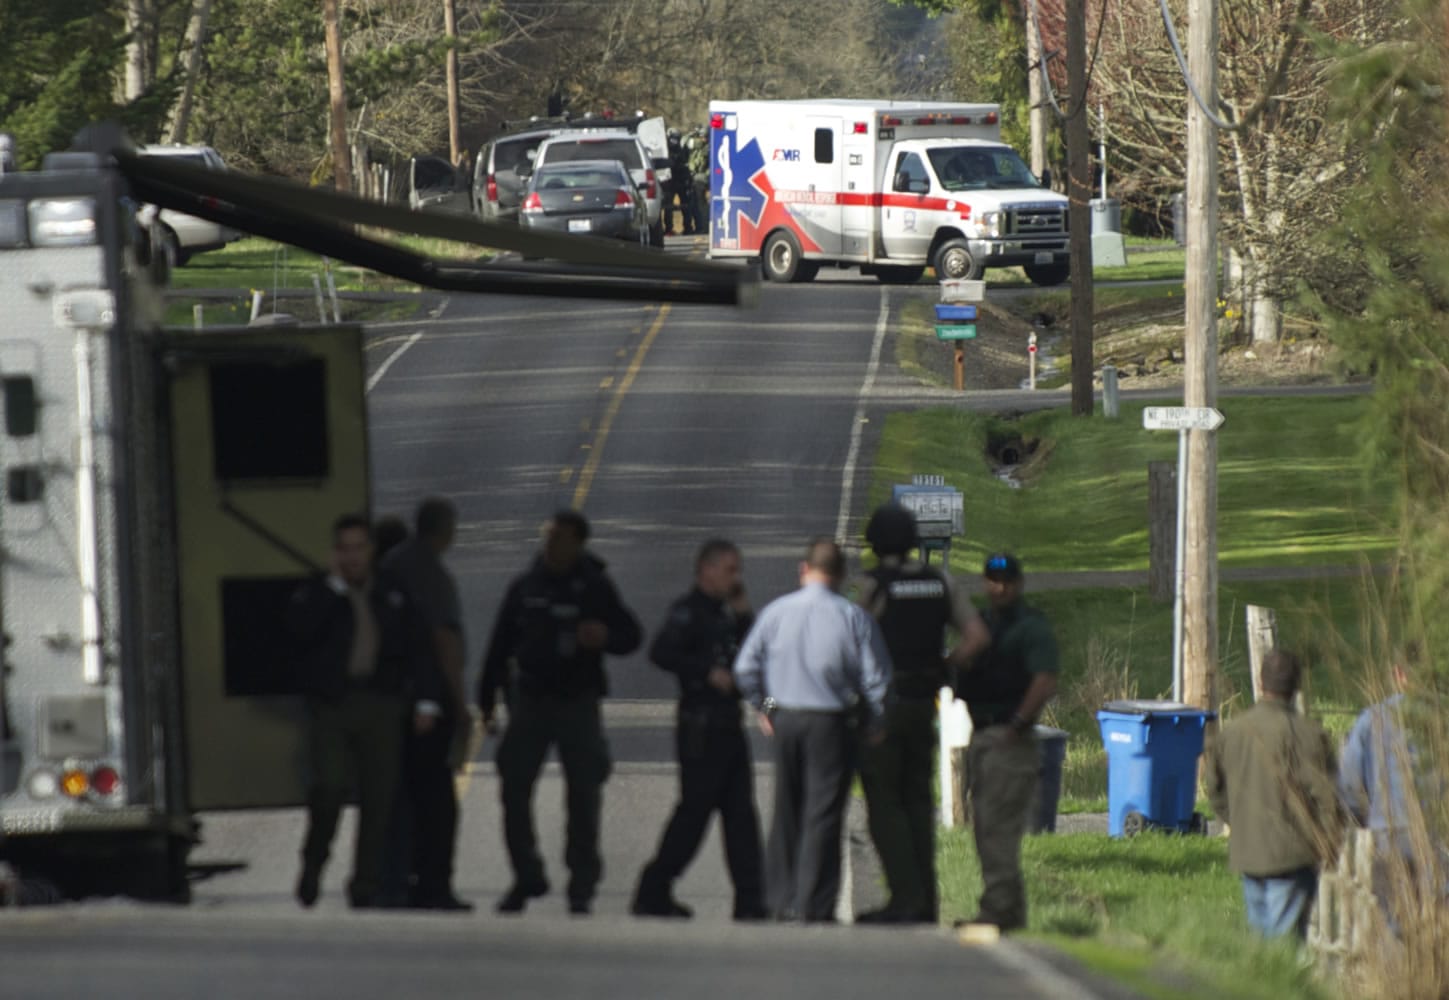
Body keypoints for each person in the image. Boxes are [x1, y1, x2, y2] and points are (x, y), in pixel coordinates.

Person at [478, 510, 642, 915]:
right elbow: (498, 648)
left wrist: (604, 637)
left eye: (560, 538)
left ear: (579, 542)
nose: (550, 545)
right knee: (514, 787)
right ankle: (526, 874)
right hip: (530, 700)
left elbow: (631, 634)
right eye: (547, 536)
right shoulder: (526, 586)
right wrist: (486, 703)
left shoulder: (595, 586)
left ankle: (581, 883)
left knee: (583, 795)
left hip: (577, 702)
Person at [287, 513, 442, 910]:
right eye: (345, 549)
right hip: (334, 704)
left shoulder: (392, 591)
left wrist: (426, 701)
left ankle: (365, 885)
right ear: (335, 552)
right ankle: (313, 864)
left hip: (382, 703)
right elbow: (298, 634)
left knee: (380, 797)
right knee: (330, 788)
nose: (353, 557)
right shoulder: (318, 592)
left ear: (371, 551)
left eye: (359, 548)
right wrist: (332, 589)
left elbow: (419, 646)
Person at [733, 538, 891, 923]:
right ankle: (814, 904)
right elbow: (877, 681)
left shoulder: (776, 613)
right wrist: (875, 722)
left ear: (804, 571)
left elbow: (746, 670)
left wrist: (767, 709)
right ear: (839, 576)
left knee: (786, 808)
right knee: (823, 813)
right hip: (831, 722)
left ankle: (779, 898)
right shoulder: (853, 617)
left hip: (786, 718)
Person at [854, 505, 991, 925]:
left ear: (875, 543)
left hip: (885, 707)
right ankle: (927, 900)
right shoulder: (939, 582)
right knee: (917, 800)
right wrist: (946, 665)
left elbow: (851, 638)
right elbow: (977, 636)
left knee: (885, 803)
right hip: (924, 703)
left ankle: (904, 898)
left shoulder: (873, 586)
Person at [632, 539, 766, 921]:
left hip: (731, 727)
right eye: (729, 570)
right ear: (706, 570)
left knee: (742, 817)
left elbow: (755, 666)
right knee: (694, 815)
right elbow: (661, 653)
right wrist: (705, 674)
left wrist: (744, 615)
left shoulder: (728, 616)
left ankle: (751, 902)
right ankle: (653, 891)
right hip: (700, 728)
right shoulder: (688, 613)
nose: (735, 578)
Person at [952, 553, 1058, 933]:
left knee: (997, 829)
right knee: (985, 827)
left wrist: (1017, 724)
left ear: (1019, 583)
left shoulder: (1031, 628)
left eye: (1007, 581)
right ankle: (1008, 914)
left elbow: (1045, 679)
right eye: (992, 580)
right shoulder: (981, 624)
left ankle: (997, 911)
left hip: (1009, 738)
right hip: (980, 734)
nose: (999, 588)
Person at [1206, 649, 1342, 939]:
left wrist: (1238, 821)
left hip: (1249, 853)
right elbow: (1328, 799)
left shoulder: (1233, 732)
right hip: (1294, 855)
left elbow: (1215, 790)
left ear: (1261, 680)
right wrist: (1329, 843)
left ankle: (1259, 980)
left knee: (1263, 939)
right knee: (1283, 946)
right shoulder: (1310, 735)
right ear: (1296, 686)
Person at [379, 497, 471, 911]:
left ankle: (392, 879)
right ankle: (433, 884)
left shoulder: (391, 563)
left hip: (389, 696)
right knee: (437, 800)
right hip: (427, 698)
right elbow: (444, 638)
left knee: (398, 797)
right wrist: (459, 700)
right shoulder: (431, 574)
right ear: (445, 530)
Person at [1337, 641, 1445, 930]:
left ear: (1398, 673)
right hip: (1432, 832)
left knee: (1392, 916)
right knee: (1436, 914)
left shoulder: (1370, 720)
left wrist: (1362, 819)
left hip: (1386, 832)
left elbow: (1349, 785)